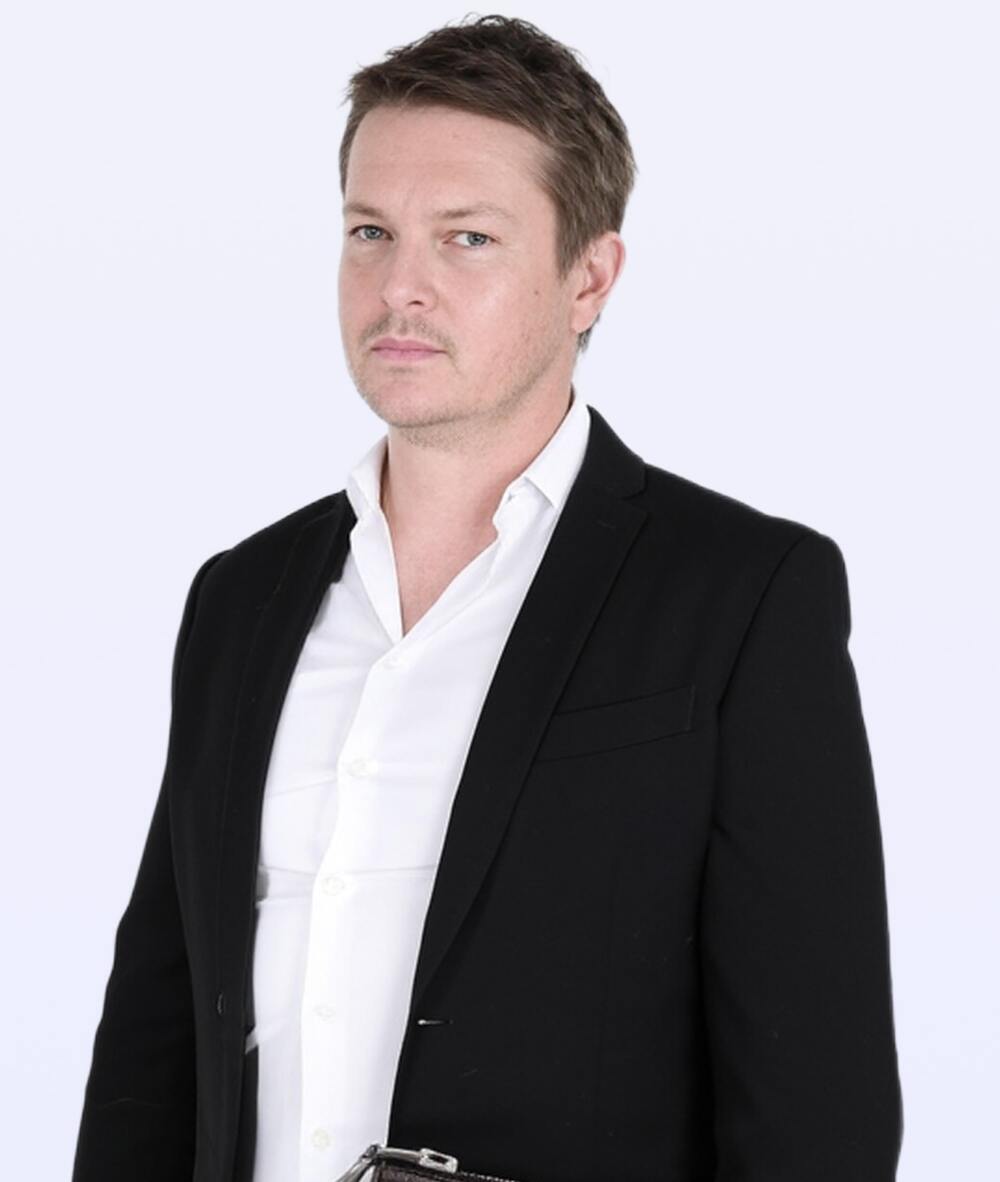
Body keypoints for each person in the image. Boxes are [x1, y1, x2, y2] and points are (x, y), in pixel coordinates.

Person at [72, 14, 903, 1182]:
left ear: (587, 278)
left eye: (466, 238)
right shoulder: (242, 598)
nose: (399, 286)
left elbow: (816, 1107)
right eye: (370, 232)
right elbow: (154, 1036)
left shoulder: (741, 596)